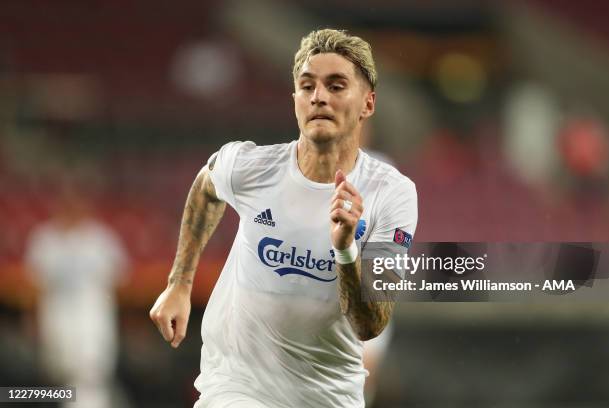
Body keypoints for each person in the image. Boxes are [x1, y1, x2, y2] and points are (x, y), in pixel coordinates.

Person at [150, 28, 418, 408]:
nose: (319, 97)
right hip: (237, 384)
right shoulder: (252, 166)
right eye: (307, 86)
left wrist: (345, 251)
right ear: (295, 99)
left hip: (328, 394)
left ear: (367, 104)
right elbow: (207, 186)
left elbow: (370, 325)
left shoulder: (392, 194)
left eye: (336, 85)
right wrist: (179, 283)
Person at [25, 185, 129, 408]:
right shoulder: (45, 239)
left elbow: (120, 281)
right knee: (63, 375)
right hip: (58, 319)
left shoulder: (101, 239)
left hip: (93, 319)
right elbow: (35, 286)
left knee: (92, 373)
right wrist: (33, 321)